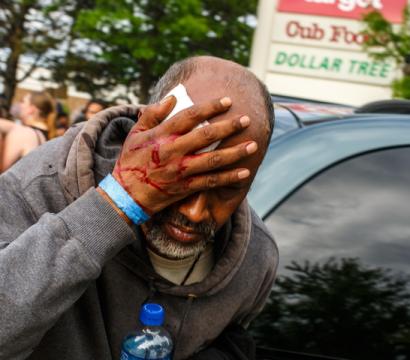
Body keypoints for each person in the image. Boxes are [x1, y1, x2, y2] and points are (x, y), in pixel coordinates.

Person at [0, 56, 277, 360]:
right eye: (181, 178)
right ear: (142, 132)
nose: (195, 213)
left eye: (226, 190)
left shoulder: (256, 256)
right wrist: (117, 202)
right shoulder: (34, 190)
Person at [0, 90, 56, 172]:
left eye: (22, 101)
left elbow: (2, 172)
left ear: (31, 109)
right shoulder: (44, 134)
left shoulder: (23, 134)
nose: (19, 105)